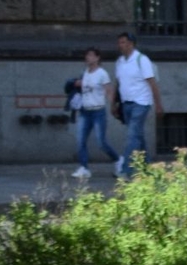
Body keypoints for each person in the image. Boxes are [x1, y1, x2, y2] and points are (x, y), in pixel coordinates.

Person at [113, 33, 161, 177]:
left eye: (123, 42)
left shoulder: (142, 60)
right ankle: (146, 166)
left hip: (141, 103)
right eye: (119, 42)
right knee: (138, 136)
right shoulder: (120, 61)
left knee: (132, 136)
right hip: (126, 103)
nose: (120, 45)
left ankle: (126, 170)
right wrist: (113, 103)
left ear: (131, 44)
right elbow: (118, 83)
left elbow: (152, 83)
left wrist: (158, 104)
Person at [69, 46, 118, 178]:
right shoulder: (85, 72)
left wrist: (114, 106)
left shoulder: (102, 73)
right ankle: (84, 167)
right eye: (87, 55)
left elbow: (108, 91)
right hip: (85, 111)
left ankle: (118, 160)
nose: (88, 58)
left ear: (97, 58)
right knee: (80, 141)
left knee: (101, 142)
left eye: (91, 55)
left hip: (98, 111)